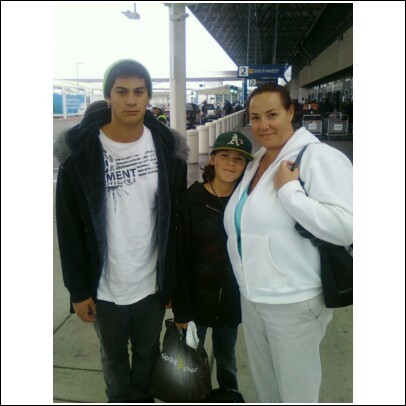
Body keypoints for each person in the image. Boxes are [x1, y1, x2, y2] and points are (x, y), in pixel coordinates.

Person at [54, 59, 188, 403]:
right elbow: (68, 230)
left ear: (148, 99)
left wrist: (172, 280)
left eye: (139, 92)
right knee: (113, 360)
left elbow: (176, 225)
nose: (131, 100)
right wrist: (77, 289)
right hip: (104, 287)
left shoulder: (169, 153)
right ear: (108, 98)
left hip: (150, 286)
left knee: (147, 354)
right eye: (122, 92)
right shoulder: (80, 157)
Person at [223, 82, 353, 403]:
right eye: (255, 117)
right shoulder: (257, 160)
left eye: (272, 114)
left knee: (296, 395)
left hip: (293, 302)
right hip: (253, 298)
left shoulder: (318, 157)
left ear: (291, 112)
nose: (263, 125)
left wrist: (289, 193)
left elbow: (347, 227)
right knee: (267, 391)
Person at [172, 131, 254, 392]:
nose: (231, 163)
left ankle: (228, 396)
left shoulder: (247, 205)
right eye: (225, 156)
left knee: (227, 360)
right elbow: (180, 257)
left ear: (245, 167)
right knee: (192, 364)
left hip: (230, 302)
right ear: (212, 161)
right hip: (197, 303)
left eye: (239, 159)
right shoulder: (190, 202)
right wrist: (181, 309)